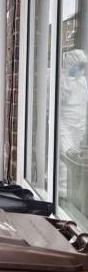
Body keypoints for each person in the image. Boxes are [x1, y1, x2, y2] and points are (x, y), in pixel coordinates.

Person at [58, 49, 88, 200]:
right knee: (65, 157)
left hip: (79, 125)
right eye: (78, 66)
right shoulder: (63, 80)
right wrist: (69, 79)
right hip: (66, 124)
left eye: (82, 66)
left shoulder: (83, 81)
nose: (80, 70)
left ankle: (71, 190)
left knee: (74, 157)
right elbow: (59, 102)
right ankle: (63, 192)